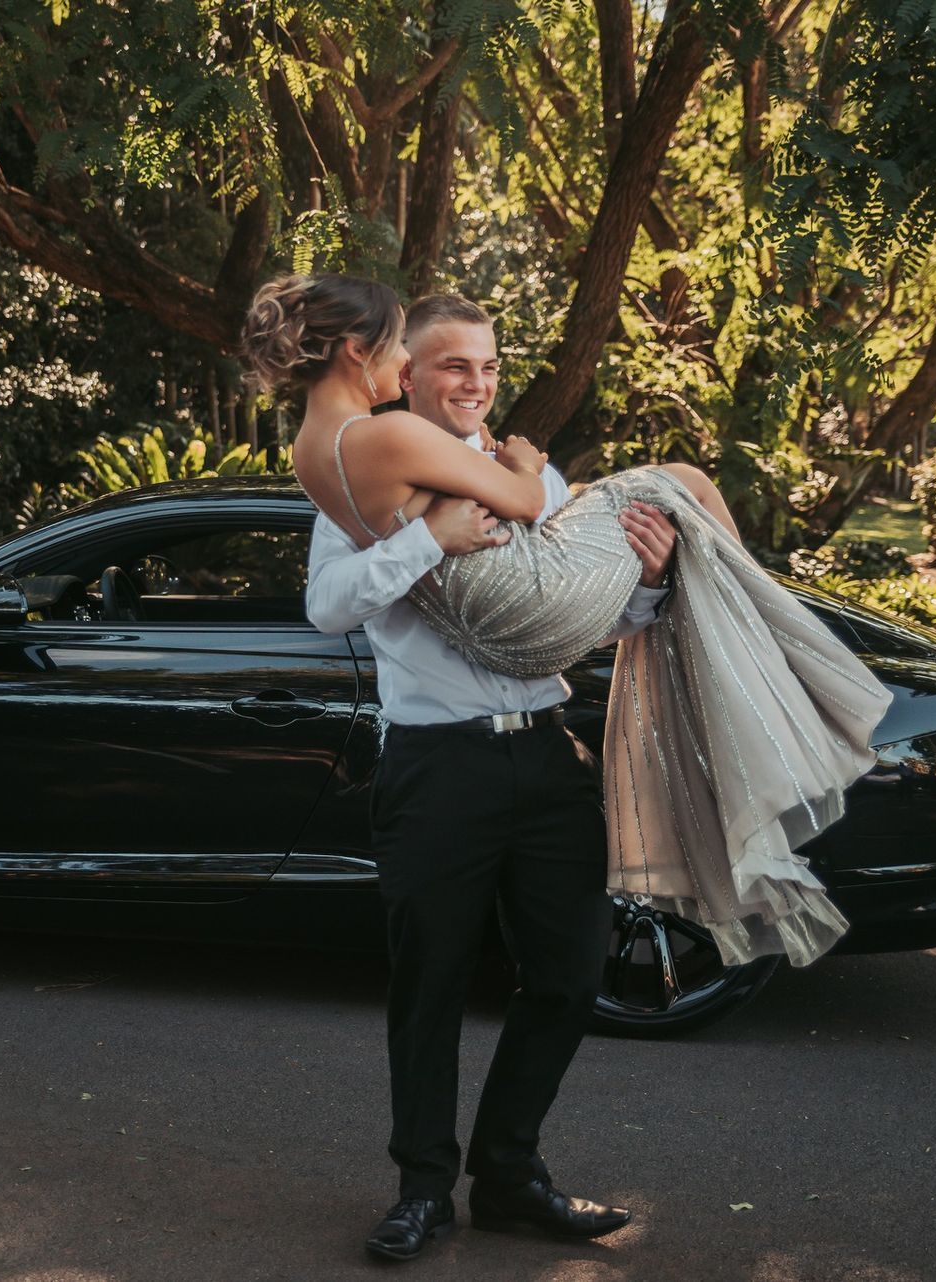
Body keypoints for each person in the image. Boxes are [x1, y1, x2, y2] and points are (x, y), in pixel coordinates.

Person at [252, 279, 677, 1263]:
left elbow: (580, 620)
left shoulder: (543, 479)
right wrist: (422, 539)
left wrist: (649, 589)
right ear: (405, 374)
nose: (474, 384)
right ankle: (423, 1189)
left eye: (488, 368)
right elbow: (328, 601)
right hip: (437, 765)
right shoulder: (371, 472)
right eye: (451, 365)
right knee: (430, 984)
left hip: (544, 747)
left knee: (572, 974)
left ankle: (513, 1172)